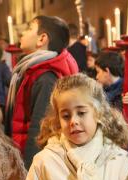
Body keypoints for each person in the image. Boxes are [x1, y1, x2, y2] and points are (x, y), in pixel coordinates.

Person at [5, 16, 78, 169]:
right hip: (20, 150)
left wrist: (28, 169)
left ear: (42, 39)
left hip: (29, 158)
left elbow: (39, 129)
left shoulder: (46, 78)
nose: (22, 34)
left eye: (29, 28)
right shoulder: (32, 70)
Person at [95, 50, 128, 172]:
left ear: (107, 71)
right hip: (112, 148)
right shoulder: (103, 91)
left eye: (98, 72)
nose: (96, 76)